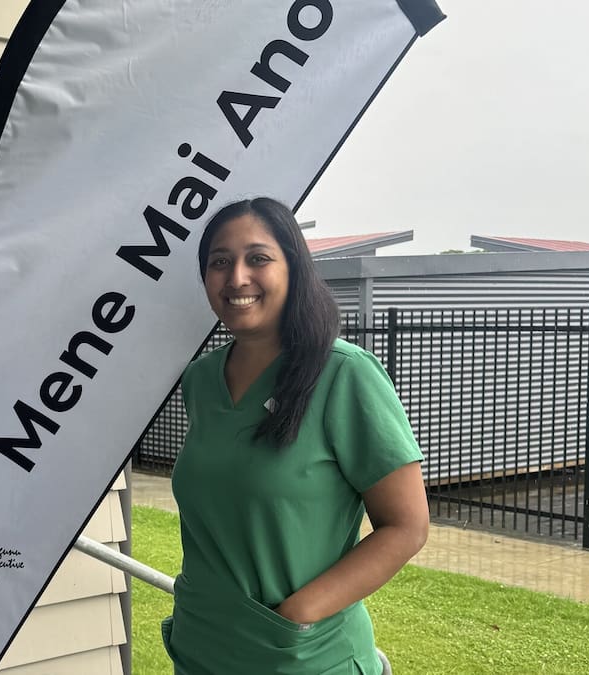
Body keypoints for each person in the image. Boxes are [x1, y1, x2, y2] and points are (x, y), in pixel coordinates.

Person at [162, 197, 429, 674]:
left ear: (294, 268)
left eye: (258, 258)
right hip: (202, 647)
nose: (236, 277)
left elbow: (407, 526)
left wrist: (300, 613)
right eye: (219, 262)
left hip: (299, 656)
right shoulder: (201, 381)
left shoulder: (344, 375)